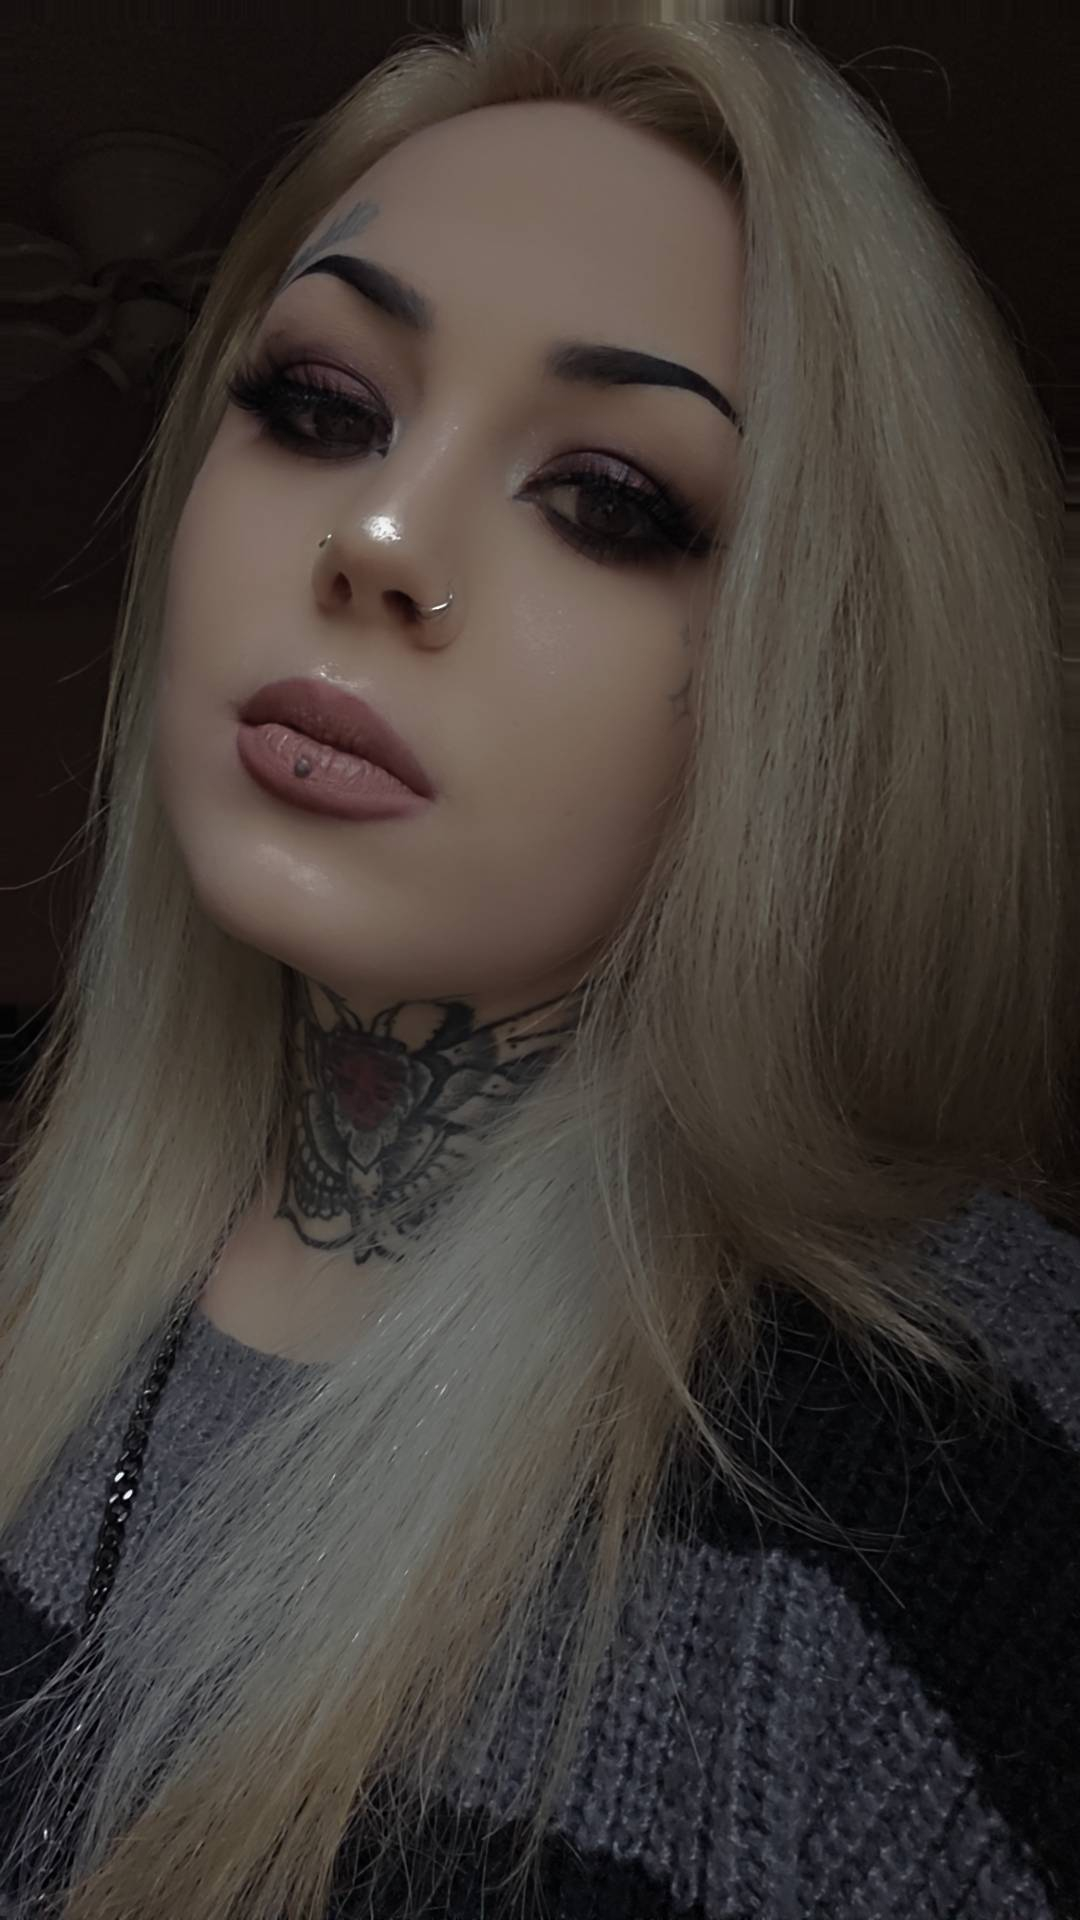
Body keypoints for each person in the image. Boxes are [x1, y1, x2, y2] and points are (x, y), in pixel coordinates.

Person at [0, 13, 1077, 1919]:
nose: (379, 537)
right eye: (321, 405)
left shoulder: (978, 1455)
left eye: (610, 502)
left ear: (819, 689)